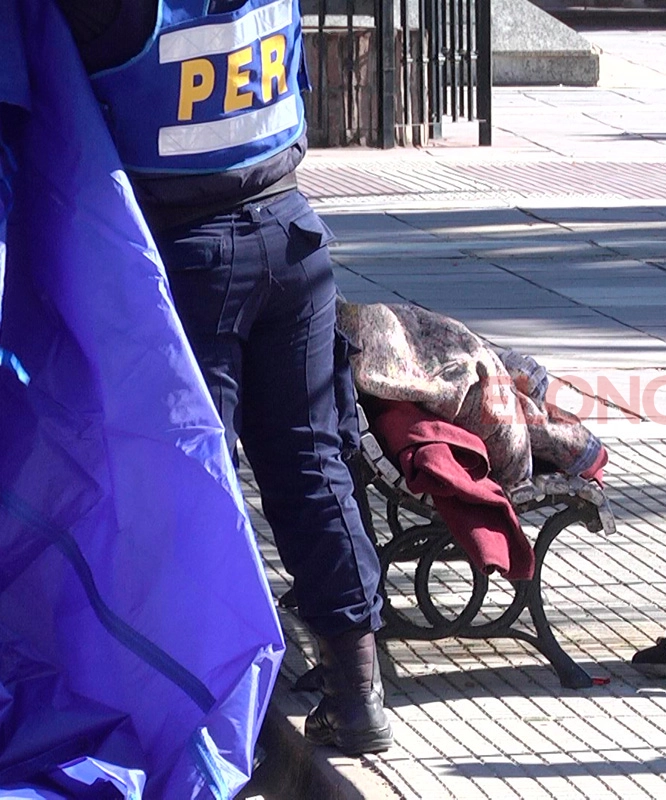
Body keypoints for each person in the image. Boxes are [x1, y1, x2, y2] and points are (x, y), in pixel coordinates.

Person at [57, 0, 391, 755]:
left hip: (187, 259)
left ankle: (207, 698)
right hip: (292, 234)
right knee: (311, 461)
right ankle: (358, 689)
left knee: (190, 484)